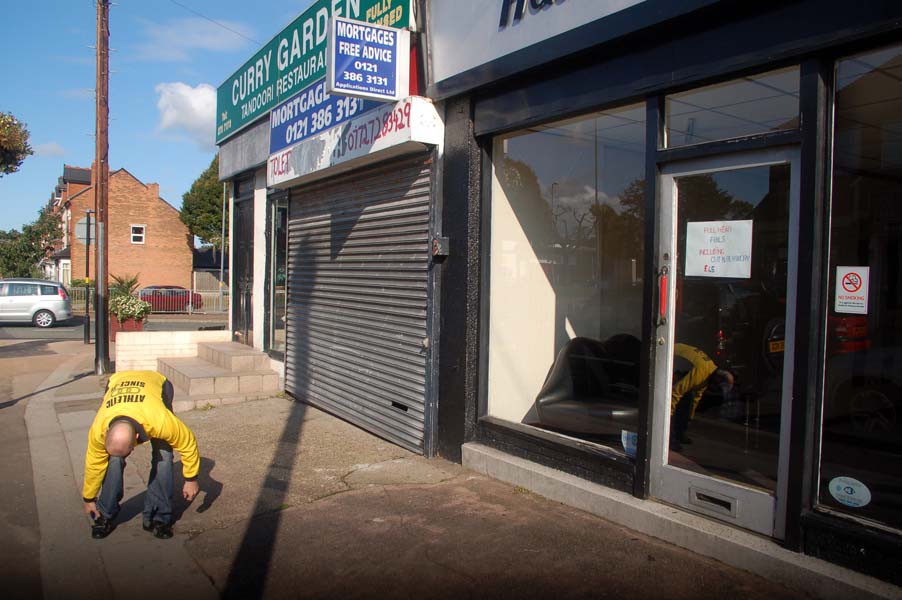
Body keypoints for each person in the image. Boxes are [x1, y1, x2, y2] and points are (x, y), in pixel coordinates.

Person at [82, 370, 200, 539]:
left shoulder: (160, 421)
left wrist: (191, 479)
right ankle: (105, 513)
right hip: (118, 381)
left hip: (157, 386)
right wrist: (89, 498)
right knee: (113, 460)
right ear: (107, 432)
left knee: (164, 453)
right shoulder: (99, 430)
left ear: (137, 438)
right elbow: (94, 464)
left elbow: (187, 442)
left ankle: (159, 515)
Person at [670, 343, 734, 451]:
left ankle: (680, 433)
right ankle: (670, 440)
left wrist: (690, 416)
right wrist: (669, 415)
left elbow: (697, 396)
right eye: (717, 388)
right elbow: (675, 392)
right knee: (681, 400)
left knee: (690, 396)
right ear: (717, 380)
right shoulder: (701, 372)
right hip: (670, 356)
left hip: (680, 362)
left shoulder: (709, 372)